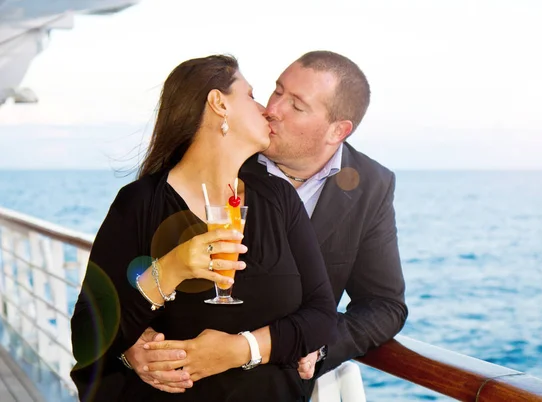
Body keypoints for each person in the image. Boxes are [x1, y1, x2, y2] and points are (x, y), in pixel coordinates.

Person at [123, 50, 408, 399]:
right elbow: (130, 270)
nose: (273, 109)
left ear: (338, 130)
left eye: (297, 105)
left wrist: (319, 347)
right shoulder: (221, 159)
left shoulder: (372, 184)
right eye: (276, 91)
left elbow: (384, 304)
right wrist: (131, 341)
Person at [69, 55, 338, 402]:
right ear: (218, 102)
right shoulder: (140, 204)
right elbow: (88, 334)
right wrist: (169, 270)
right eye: (252, 95)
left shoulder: (278, 198)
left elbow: (322, 316)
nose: (267, 110)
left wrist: (241, 350)